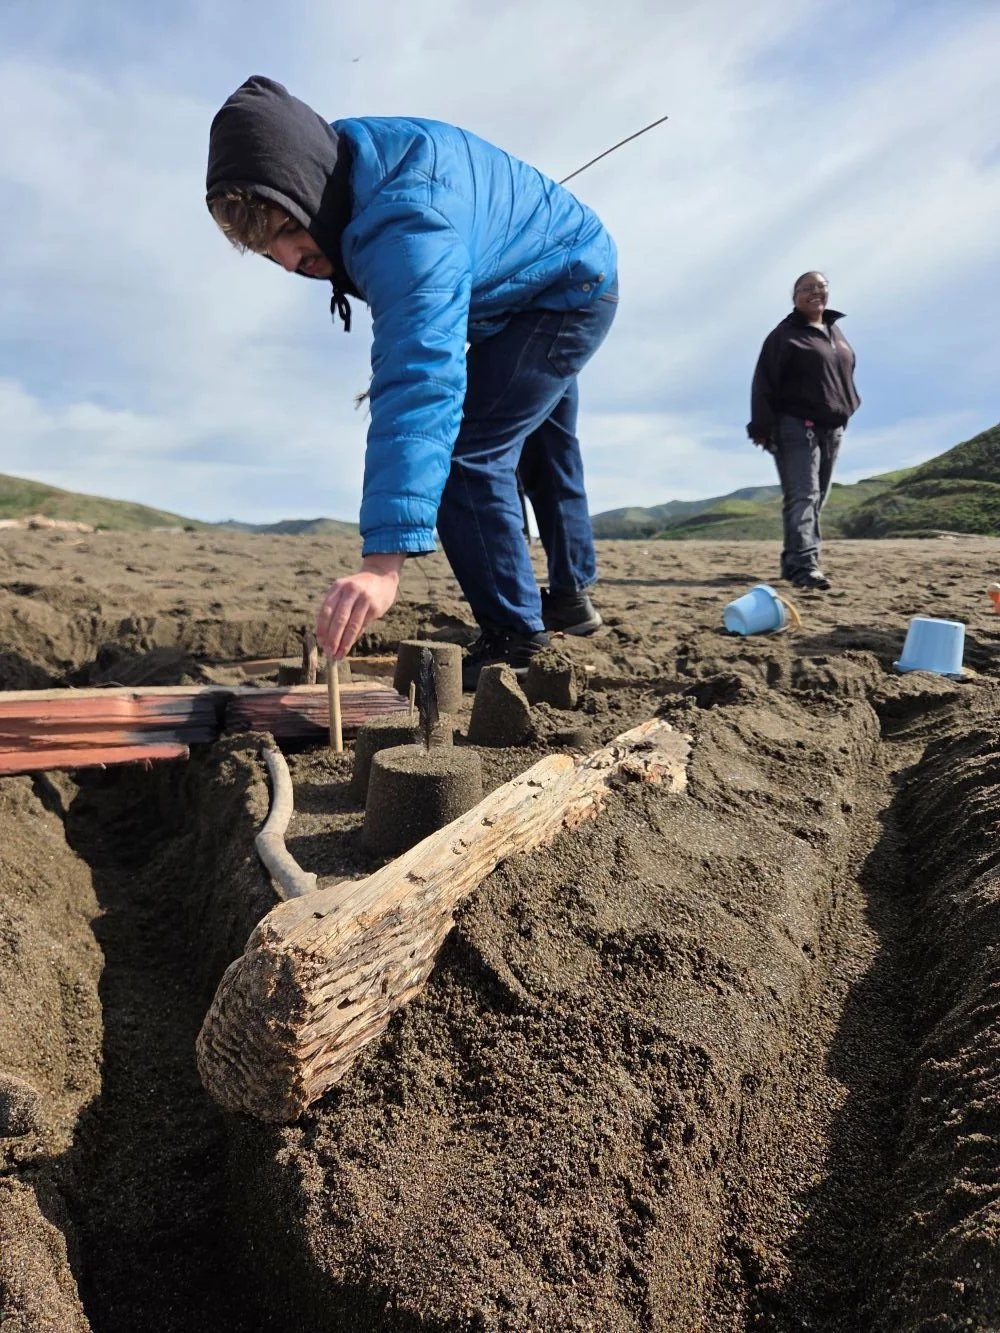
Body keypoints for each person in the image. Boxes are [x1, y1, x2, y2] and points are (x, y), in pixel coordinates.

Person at [205, 76, 616, 688]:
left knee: (467, 449)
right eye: (270, 251)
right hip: (536, 278)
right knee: (544, 447)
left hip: (565, 291)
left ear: (309, 188)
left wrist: (382, 563)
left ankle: (515, 639)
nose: (291, 263)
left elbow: (421, 375)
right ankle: (570, 603)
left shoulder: (403, 224)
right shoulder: (344, 164)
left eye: (290, 233)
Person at [747, 271, 860, 591]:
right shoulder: (783, 335)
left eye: (821, 287)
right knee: (804, 496)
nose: (815, 292)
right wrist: (762, 428)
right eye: (807, 288)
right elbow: (763, 381)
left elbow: (842, 376)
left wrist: (847, 406)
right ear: (794, 297)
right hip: (796, 426)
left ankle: (794, 561)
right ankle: (804, 566)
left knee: (817, 498)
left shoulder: (835, 332)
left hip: (833, 427)